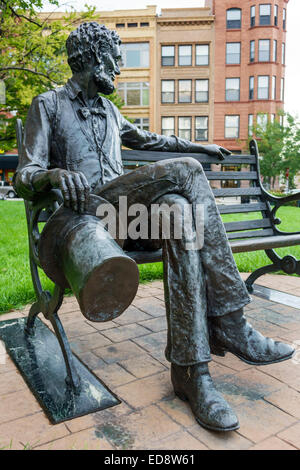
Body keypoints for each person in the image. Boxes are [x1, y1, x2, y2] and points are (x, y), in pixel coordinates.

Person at [14, 22, 294, 433]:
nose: (119, 66)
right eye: (114, 58)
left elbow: (153, 141)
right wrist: (54, 175)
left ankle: (190, 371)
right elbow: (25, 174)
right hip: (88, 219)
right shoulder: (49, 104)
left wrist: (199, 145)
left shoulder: (110, 111)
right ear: (92, 57)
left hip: (126, 220)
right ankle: (231, 324)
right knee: (187, 174)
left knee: (179, 210)